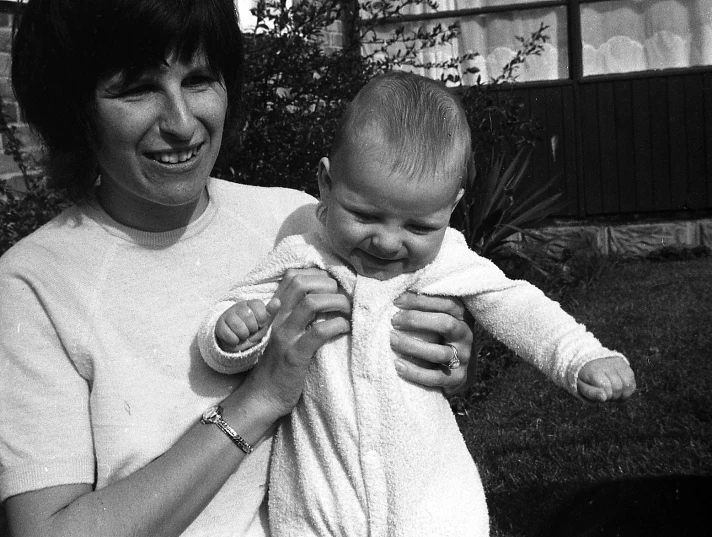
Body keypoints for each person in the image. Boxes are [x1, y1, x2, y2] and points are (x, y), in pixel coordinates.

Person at [0, 2, 476, 537]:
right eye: (136, 89)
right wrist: (256, 400)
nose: (181, 122)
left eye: (198, 80)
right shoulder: (37, 281)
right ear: (73, 109)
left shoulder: (297, 221)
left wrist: (441, 355)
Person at [199, 71, 637, 536]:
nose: (388, 242)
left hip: (430, 504)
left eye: (419, 228)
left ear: (452, 207)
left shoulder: (447, 262)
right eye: (364, 215)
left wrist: (580, 356)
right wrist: (233, 332)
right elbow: (240, 306)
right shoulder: (303, 256)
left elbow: (518, 305)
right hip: (320, 501)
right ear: (326, 185)